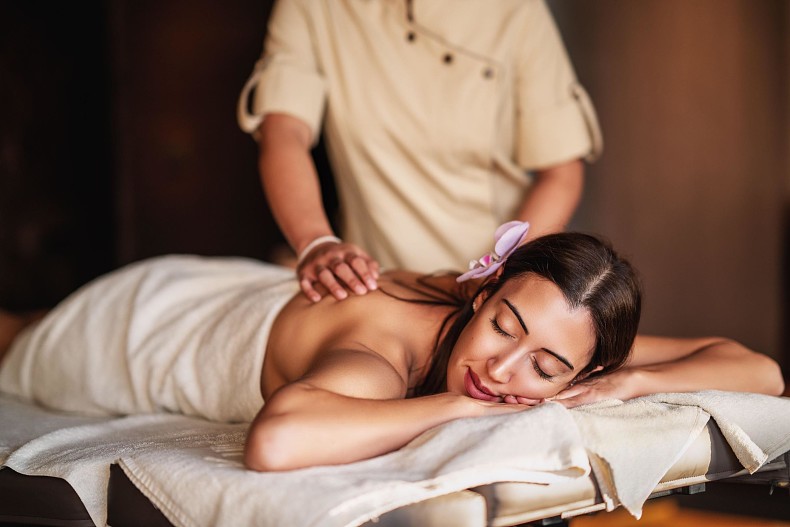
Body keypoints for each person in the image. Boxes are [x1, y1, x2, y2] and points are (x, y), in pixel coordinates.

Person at [0, 231, 784, 473]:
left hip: (229, 289)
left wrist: (626, 384)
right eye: (503, 325)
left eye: (548, 368)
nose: (504, 369)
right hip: (140, 330)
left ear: (583, 367)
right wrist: (457, 405)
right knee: (16, 337)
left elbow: (760, 369)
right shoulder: (381, 359)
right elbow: (276, 440)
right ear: (483, 294)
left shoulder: (563, 333)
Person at [238, 0, 604, 303]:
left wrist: (501, 276)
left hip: (493, 283)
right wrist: (315, 242)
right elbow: (284, 132)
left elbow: (561, 173)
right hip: (372, 282)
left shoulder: (517, 10)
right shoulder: (313, 6)